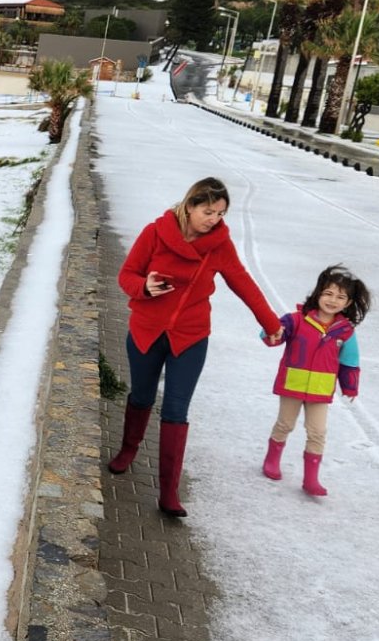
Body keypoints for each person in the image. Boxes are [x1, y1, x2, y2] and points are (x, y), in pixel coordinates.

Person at [107, 177, 282, 517]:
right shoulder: (155, 232)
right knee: (141, 396)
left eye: (220, 213)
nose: (214, 219)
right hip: (146, 331)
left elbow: (242, 282)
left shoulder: (219, 245)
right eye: (208, 211)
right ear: (190, 206)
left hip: (190, 336)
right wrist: (144, 286)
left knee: (176, 409)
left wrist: (271, 324)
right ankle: (128, 450)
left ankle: (168, 492)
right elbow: (126, 275)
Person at [260, 264, 371, 496]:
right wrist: (272, 332)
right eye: (328, 293)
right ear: (318, 294)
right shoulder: (296, 320)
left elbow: (350, 361)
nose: (333, 300)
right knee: (285, 424)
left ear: (348, 303)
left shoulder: (345, 332)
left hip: (320, 390)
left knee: (318, 431)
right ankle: (272, 460)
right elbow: (272, 334)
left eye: (340, 297)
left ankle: (311, 479)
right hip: (293, 384)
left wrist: (350, 386)